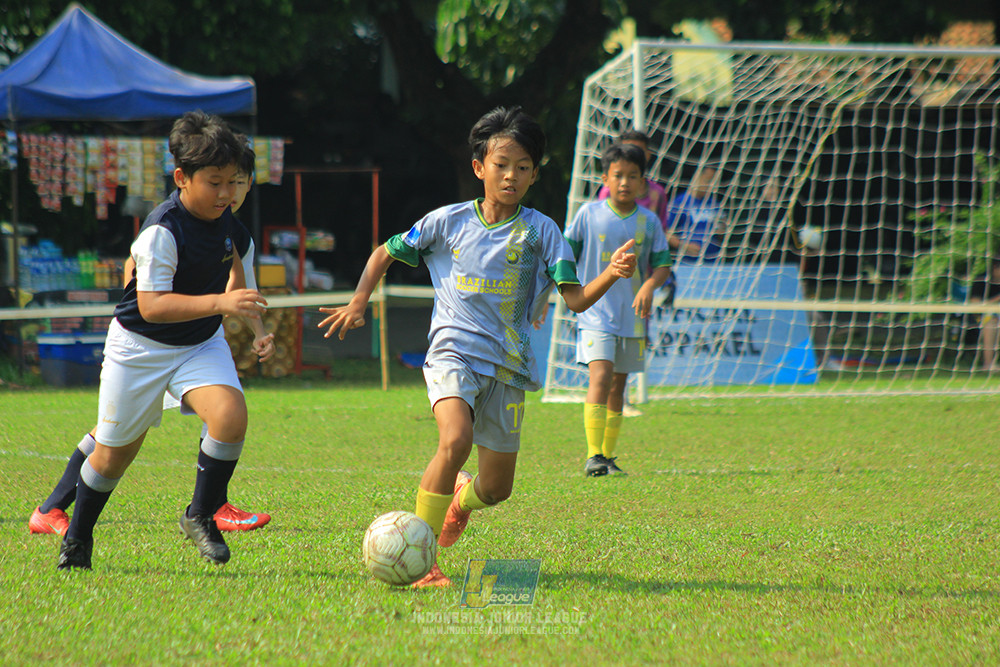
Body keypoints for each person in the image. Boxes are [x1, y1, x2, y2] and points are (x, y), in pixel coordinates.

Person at [318, 106, 636, 588]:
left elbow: (574, 300)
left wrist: (611, 273)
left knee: (497, 488)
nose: (511, 176)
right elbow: (385, 251)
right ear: (478, 167)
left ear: (533, 174)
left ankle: (461, 498)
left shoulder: (543, 231)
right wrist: (359, 300)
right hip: (452, 354)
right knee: (454, 440)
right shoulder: (446, 222)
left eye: (523, 167)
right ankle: (422, 560)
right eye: (502, 164)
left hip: (508, 369)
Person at [53, 111, 275, 571]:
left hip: (198, 344)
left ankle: (201, 514)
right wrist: (221, 302)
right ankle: (77, 538)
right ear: (182, 178)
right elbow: (153, 307)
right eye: (215, 183)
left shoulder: (231, 225)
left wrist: (259, 333)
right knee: (114, 456)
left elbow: (243, 289)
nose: (227, 194)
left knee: (230, 416)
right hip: (139, 349)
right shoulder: (162, 230)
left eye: (233, 183)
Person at [566, 143, 673, 477]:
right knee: (600, 375)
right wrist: (550, 293)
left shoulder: (649, 222)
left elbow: (662, 265)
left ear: (643, 183)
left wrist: (647, 286)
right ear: (605, 178)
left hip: (632, 316)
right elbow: (565, 255)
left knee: (619, 386)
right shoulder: (588, 214)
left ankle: (607, 457)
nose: (625, 182)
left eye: (632, 176)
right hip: (595, 312)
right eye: (618, 175)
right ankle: (593, 454)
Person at [597, 130, 670, 417]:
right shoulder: (607, 193)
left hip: (641, 278)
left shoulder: (657, 195)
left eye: (638, 152)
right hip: (610, 276)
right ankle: (608, 399)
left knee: (634, 337)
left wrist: (655, 277)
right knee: (605, 342)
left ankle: (621, 396)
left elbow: (659, 233)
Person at [665, 167, 725, 262]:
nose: (711, 185)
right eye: (708, 181)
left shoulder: (715, 203)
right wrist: (684, 246)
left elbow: (721, 233)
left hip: (712, 261)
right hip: (687, 262)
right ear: (697, 177)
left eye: (714, 182)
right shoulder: (680, 202)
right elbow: (665, 231)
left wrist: (722, 229)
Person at [969, 257, 1000, 372]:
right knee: (991, 325)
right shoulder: (982, 280)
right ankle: (988, 364)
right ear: (995, 267)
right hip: (982, 317)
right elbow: (976, 304)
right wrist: (997, 299)